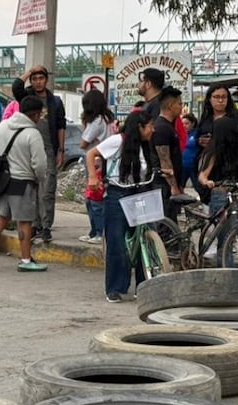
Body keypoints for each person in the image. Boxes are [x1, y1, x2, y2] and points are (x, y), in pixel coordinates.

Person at [85, 109, 156, 303]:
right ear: (140, 127)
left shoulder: (146, 145)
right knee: (116, 242)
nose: (153, 129)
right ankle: (115, 288)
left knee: (146, 238)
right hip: (118, 194)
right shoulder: (118, 141)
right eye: (150, 126)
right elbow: (91, 154)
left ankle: (145, 285)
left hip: (139, 192)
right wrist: (92, 176)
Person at [0, 96, 50, 273]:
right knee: (24, 221)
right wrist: (39, 178)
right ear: (36, 114)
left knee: (2, 215)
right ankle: (25, 259)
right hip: (23, 182)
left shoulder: (2, 126)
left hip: (3, 180)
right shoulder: (33, 134)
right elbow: (39, 164)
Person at [197, 112, 238, 266]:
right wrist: (207, 182)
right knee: (226, 237)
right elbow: (202, 175)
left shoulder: (237, 153)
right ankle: (227, 271)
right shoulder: (213, 152)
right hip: (221, 196)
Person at [11, 65, 65, 243]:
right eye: (34, 79)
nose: (37, 82)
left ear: (46, 80)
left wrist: (60, 150)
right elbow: (16, 86)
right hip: (28, 149)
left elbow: (60, 126)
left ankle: (46, 226)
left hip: (48, 149)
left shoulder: (55, 101)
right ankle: (35, 225)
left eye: (41, 78)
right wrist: (30, 70)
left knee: (48, 190)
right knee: (31, 190)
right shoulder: (27, 97)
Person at [195, 85, 238, 203]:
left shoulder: (235, 118)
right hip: (208, 164)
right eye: (216, 97)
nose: (220, 100)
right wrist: (202, 142)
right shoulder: (206, 118)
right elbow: (198, 136)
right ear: (209, 99)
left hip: (229, 163)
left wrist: (221, 141)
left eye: (224, 97)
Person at [79, 89, 114, 244]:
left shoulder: (97, 121)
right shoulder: (107, 118)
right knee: (94, 198)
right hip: (104, 160)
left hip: (96, 163)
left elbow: (83, 143)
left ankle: (98, 232)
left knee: (94, 200)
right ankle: (95, 231)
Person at [151, 86, 185, 216]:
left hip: (169, 185)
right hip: (163, 186)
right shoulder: (162, 128)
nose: (181, 107)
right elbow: (165, 161)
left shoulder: (169, 126)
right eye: (179, 103)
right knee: (166, 227)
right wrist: (173, 186)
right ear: (171, 105)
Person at [180, 113, 200, 191]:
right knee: (180, 187)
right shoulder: (181, 134)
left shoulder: (197, 134)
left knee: (199, 188)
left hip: (193, 166)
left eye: (187, 123)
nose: (184, 126)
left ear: (193, 123)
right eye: (183, 124)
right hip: (182, 166)